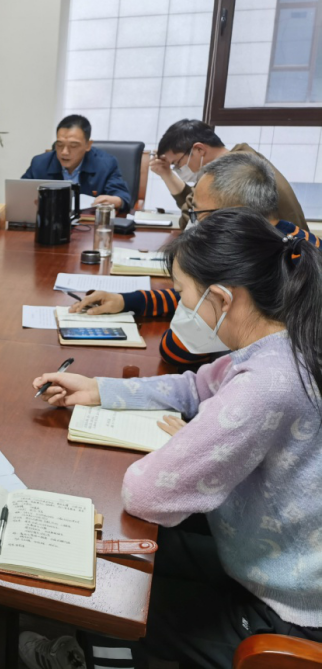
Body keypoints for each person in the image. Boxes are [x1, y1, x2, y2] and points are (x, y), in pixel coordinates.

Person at [31, 210, 322, 669]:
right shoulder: (284, 340)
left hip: (289, 607)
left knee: (114, 598)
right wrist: (99, 389)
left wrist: (195, 441)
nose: (180, 307)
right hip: (268, 553)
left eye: (184, 295)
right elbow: (196, 387)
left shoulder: (268, 383)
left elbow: (146, 494)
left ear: (221, 298)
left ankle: (96, 656)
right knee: (123, 553)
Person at [70, 153, 319, 368]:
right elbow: (199, 298)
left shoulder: (245, 259)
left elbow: (176, 351)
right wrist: (129, 301)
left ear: (232, 215)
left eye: (198, 213)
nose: (195, 223)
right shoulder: (300, 242)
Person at [149, 119, 308, 231]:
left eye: (177, 163)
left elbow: (189, 221)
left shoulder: (234, 172)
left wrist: (168, 175)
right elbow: (196, 206)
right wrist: (166, 173)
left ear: (199, 149)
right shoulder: (242, 158)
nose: (178, 169)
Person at [21, 114, 133, 212]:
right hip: (51, 222)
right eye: (59, 145)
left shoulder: (106, 164)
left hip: (89, 225)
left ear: (88, 145)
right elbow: (21, 192)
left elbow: (122, 196)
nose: (64, 152)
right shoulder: (40, 163)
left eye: (73, 146)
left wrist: (116, 200)